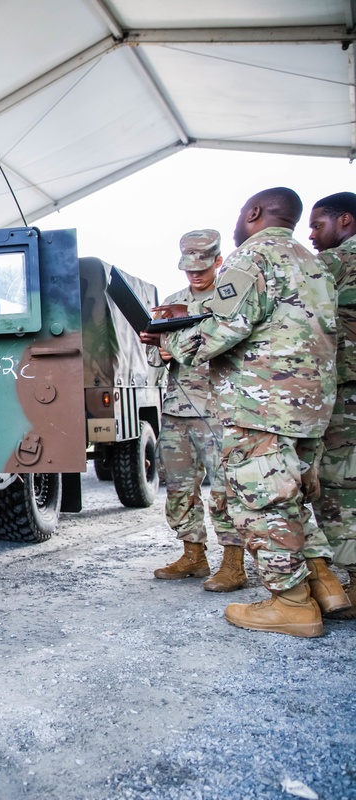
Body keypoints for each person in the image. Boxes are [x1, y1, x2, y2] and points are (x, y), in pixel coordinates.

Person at [159, 187, 350, 637]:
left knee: (263, 503)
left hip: (260, 405)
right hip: (310, 406)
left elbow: (216, 334)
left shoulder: (253, 257)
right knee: (294, 497)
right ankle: (324, 586)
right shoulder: (315, 263)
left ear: (255, 212)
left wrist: (165, 339)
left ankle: (291, 603)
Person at [151, 230, 245, 591]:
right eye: (188, 268)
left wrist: (182, 344)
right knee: (178, 488)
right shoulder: (172, 301)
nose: (194, 274)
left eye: (202, 267)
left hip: (219, 411)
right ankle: (193, 556)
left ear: (219, 261)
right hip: (177, 410)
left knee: (226, 489)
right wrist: (159, 351)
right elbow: (155, 355)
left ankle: (234, 564)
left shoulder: (230, 301)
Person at [308, 191, 356, 617]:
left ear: (345, 220)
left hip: (345, 392)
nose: (311, 235)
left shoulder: (333, 263)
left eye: (317, 225)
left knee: (339, 484)